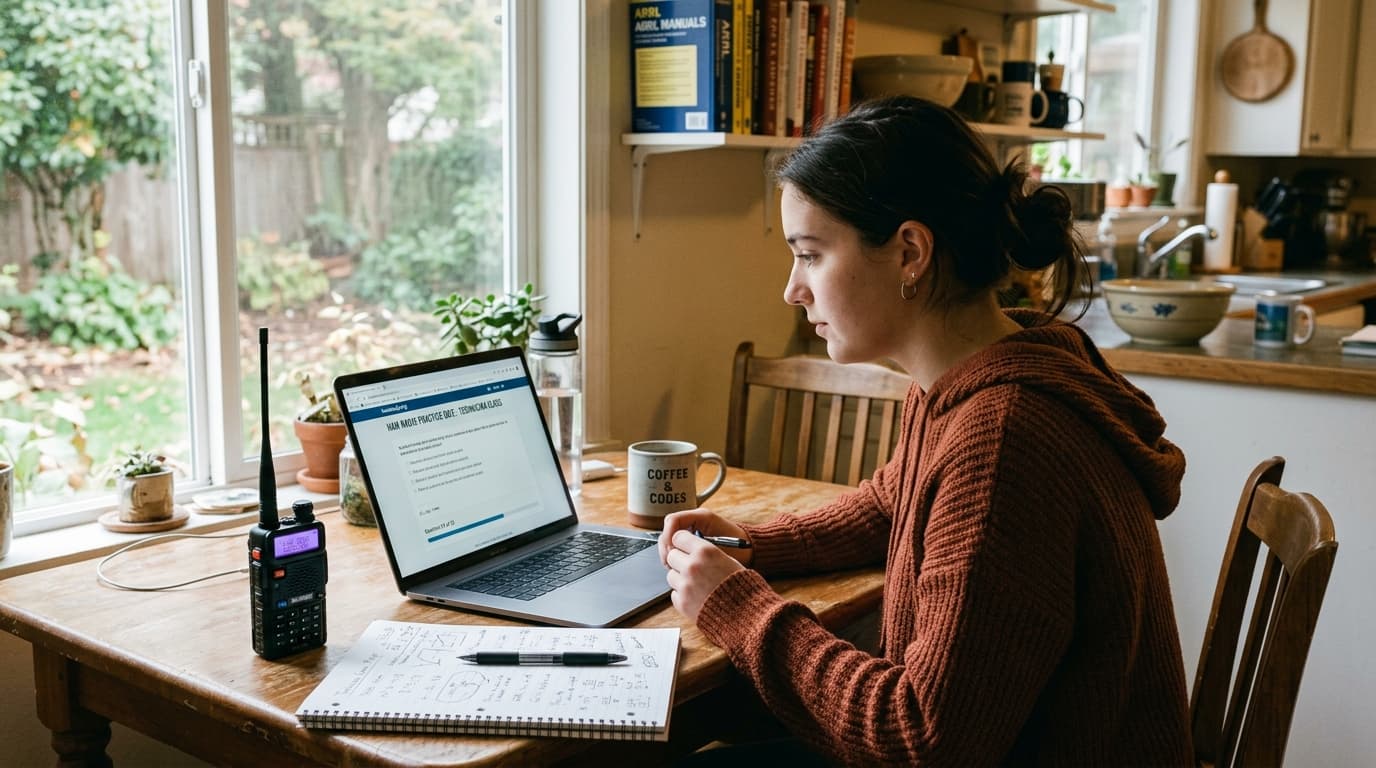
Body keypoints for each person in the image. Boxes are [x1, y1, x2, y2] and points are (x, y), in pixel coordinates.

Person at [658, 96, 1192, 766]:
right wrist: (755, 545)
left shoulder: (1004, 437)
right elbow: (892, 504)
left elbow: (924, 737)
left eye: (811, 255)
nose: (792, 289)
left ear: (909, 251)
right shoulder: (979, 375)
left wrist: (740, 609)